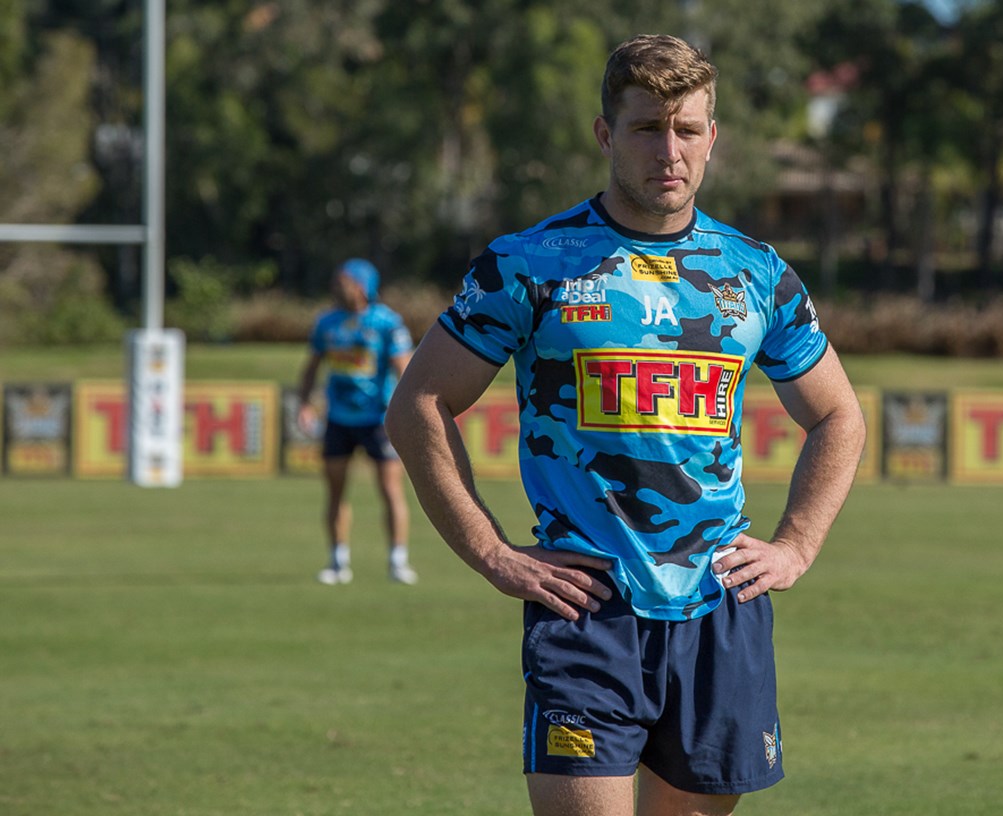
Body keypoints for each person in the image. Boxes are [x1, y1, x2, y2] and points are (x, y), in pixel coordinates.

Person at [385, 34, 865, 816]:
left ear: (712, 138)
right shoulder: (529, 263)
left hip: (719, 608)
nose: (669, 151)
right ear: (606, 134)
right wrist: (491, 553)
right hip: (586, 608)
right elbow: (419, 405)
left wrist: (797, 544)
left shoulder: (756, 273)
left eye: (687, 129)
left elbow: (838, 414)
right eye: (646, 128)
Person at [296, 258, 418, 585]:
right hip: (338, 417)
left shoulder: (386, 322)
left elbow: (404, 368)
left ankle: (397, 560)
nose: (336, 287)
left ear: (362, 287)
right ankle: (338, 561)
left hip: (378, 419)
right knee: (335, 490)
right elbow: (312, 367)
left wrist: (408, 410)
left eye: (343, 282)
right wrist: (304, 403)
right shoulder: (326, 322)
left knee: (390, 489)